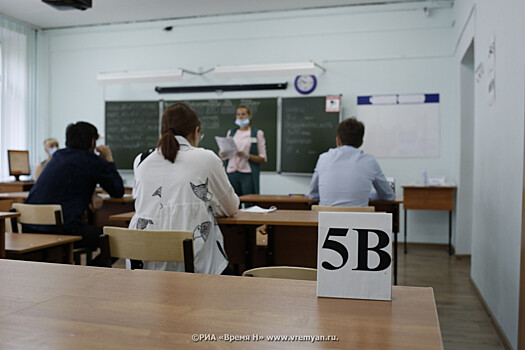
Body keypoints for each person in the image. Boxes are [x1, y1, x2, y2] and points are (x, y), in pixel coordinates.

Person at [130, 103, 239, 274]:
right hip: (195, 270)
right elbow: (230, 207)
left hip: (146, 270)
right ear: (196, 132)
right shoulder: (206, 159)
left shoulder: (141, 160)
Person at [25, 122, 124, 264]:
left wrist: (90, 194)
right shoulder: (92, 161)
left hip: (29, 227)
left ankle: (82, 273)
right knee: (118, 240)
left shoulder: (57, 157)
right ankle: (89, 274)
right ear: (92, 142)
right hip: (61, 231)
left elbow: (65, 184)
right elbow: (117, 190)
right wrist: (108, 159)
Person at [309, 118, 394, 206]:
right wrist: (366, 194)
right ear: (361, 142)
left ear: (338, 140)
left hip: (327, 219)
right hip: (358, 219)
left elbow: (313, 195)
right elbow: (388, 195)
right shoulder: (370, 161)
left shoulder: (323, 158)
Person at [221, 105, 267, 196]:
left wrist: (247, 155)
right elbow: (226, 153)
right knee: (232, 203)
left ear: (250, 116)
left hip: (247, 173)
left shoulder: (257, 133)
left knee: (249, 203)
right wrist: (223, 153)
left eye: (243, 114)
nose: (240, 117)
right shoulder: (231, 132)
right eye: (238, 114)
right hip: (231, 172)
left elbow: (263, 158)